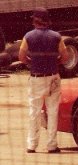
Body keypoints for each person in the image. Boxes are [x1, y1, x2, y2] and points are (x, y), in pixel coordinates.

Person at [19, 8, 69, 154]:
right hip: (53, 77)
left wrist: (31, 62)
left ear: (35, 20)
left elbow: (21, 57)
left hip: (36, 78)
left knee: (34, 111)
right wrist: (55, 62)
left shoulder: (28, 36)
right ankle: (52, 145)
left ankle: (31, 145)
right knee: (53, 111)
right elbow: (65, 57)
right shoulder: (56, 36)